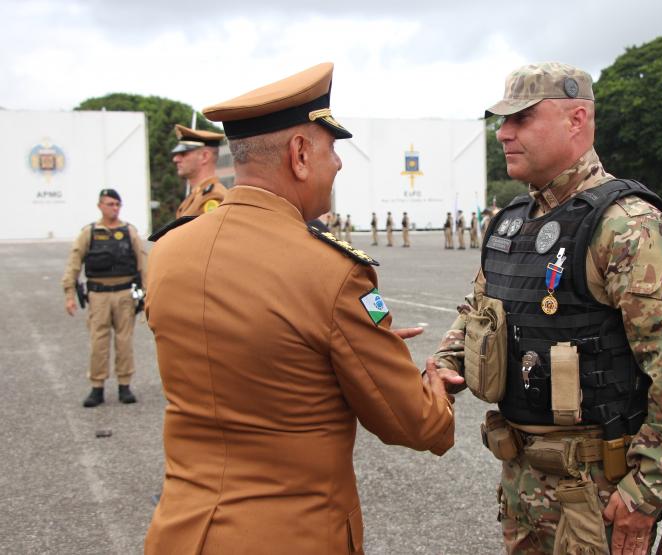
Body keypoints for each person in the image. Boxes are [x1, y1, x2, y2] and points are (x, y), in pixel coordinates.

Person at [143, 62, 456, 554]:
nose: (339, 165)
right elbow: (412, 423)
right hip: (291, 536)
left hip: (183, 533)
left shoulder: (166, 253)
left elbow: (235, 349)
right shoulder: (333, 272)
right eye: (333, 150)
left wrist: (335, 351)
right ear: (300, 153)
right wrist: (433, 390)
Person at [429, 62, 662, 555]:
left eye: (520, 119)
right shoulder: (510, 224)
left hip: (597, 495)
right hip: (522, 484)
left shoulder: (627, 226)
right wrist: (446, 363)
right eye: (503, 121)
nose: (503, 134)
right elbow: (479, 309)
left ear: (576, 120)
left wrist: (644, 495)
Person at [62, 188, 146, 407]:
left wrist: (147, 294)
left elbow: (143, 263)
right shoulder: (89, 232)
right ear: (100, 206)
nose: (114, 208)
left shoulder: (129, 232)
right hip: (98, 295)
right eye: (110, 204)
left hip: (124, 294)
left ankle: (124, 385)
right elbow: (73, 264)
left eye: (117, 205)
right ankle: (97, 387)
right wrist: (69, 294)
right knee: (98, 342)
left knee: (124, 341)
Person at [171, 124, 227, 217]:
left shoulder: (214, 197)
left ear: (205, 156)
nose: (175, 159)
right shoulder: (196, 195)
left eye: (183, 153)